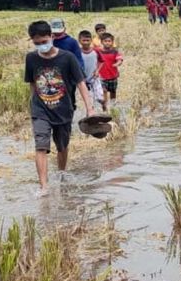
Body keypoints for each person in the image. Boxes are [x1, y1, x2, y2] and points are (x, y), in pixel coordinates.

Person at [25, 20, 94, 194]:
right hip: (40, 110)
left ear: (51, 37)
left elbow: (81, 83)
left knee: (62, 146)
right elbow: (33, 84)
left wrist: (90, 108)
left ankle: (62, 174)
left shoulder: (67, 57)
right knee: (41, 146)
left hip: (63, 109)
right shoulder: (31, 58)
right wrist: (31, 107)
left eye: (44, 41)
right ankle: (44, 187)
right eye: (37, 43)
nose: (42, 45)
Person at [78, 30, 104, 110]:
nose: (85, 42)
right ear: (79, 40)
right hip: (84, 81)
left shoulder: (96, 51)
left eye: (87, 40)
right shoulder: (78, 52)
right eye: (83, 40)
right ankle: (91, 117)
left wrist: (97, 71)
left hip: (95, 78)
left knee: (100, 98)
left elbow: (101, 61)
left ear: (91, 40)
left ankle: (105, 108)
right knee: (90, 101)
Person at [97, 33, 123, 111]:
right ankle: (104, 107)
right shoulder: (99, 51)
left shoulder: (115, 51)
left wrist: (117, 63)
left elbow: (120, 59)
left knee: (113, 91)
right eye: (105, 41)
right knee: (103, 91)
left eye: (109, 41)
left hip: (113, 75)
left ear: (112, 42)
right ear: (101, 42)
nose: (107, 43)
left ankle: (113, 106)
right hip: (102, 76)